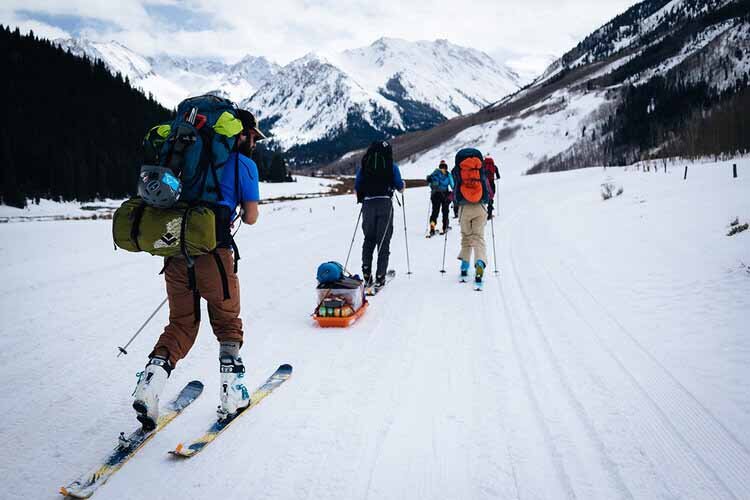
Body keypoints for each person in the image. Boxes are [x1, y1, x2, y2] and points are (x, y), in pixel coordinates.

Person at [132, 109, 266, 429]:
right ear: (241, 135)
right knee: (227, 321)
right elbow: (250, 217)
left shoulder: (190, 161)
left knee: (181, 323)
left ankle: (149, 386)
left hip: (176, 251)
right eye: (253, 138)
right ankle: (232, 395)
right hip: (215, 254)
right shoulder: (243, 164)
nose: (254, 144)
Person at [354, 140, 405, 288]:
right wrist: (402, 187)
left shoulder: (365, 166)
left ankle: (366, 272)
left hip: (368, 205)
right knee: (383, 240)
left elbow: (357, 187)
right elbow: (399, 186)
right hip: (385, 204)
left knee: (369, 238)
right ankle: (380, 275)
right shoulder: (391, 165)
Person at [452, 148, 490, 289]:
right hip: (480, 207)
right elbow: (487, 190)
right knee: (478, 237)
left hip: (464, 208)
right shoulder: (480, 169)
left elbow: (455, 187)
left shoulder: (458, 170)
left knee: (466, 237)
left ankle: (464, 265)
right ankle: (479, 264)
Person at [426, 160, 454, 236]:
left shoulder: (435, 173)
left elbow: (429, 182)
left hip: (435, 195)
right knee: (445, 211)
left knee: (435, 211)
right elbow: (452, 185)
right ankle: (445, 226)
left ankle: (432, 227)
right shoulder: (448, 175)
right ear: (446, 167)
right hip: (444, 195)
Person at [484, 155, 500, 220]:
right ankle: (489, 213)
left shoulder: (483, 166)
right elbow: (498, 176)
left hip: (485, 184)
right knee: (491, 197)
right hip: (492, 183)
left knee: (484, 198)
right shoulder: (494, 166)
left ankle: (484, 213)